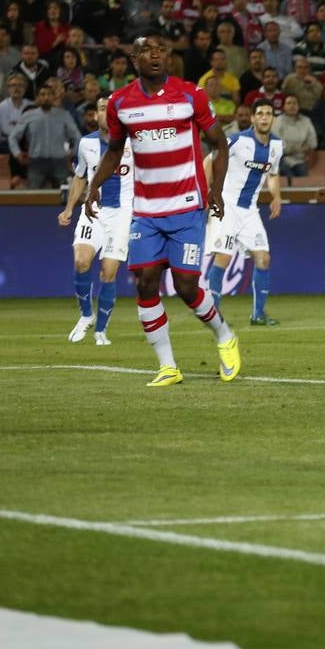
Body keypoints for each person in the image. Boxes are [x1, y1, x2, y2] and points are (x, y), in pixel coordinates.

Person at [86, 34, 240, 387]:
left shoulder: (191, 94)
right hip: (146, 211)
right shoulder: (120, 103)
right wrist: (95, 185)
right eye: (146, 51)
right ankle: (168, 366)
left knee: (186, 286)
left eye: (161, 50)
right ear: (133, 59)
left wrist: (215, 189)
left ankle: (224, 336)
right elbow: (113, 151)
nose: (155, 56)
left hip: (187, 207)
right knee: (145, 282)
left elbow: (219, 143)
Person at [58, 98, 133, 346]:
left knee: (108, 273)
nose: (107, 113)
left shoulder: (134, 142)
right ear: (95, 115)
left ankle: (101, 331)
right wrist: (69, 208)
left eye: (111, 109)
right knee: (81, 261)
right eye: (102, 109)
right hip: (94, 211)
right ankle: (86, 315)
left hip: (122, 215)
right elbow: (80, 177)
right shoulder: (86, 143)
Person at [205, 101, 284, 326]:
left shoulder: (277, 146)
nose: (264, 117)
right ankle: (214, 316)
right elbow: (209, 160)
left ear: (273, 119)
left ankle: (258, 315)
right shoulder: (238, 140)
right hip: (226, 206)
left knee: (263, 258)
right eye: (260, 113)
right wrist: (207, 192)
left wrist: (276, 196)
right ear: (252, 118)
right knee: (223, 258)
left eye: (269, 114)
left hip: (250, 210)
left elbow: (273, 174)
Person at [8, 83, 79, 188]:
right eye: (42, 94)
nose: (46, 97)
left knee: (64, 196)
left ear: (54, 97)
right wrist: (17, 153)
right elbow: (13, 137)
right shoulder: (28, 115)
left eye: (49, 94)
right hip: (36, 163)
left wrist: (73, 154)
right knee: (34, 198)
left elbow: (77, 136)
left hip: (59, 162)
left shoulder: (64, 115)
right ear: (37, 97)